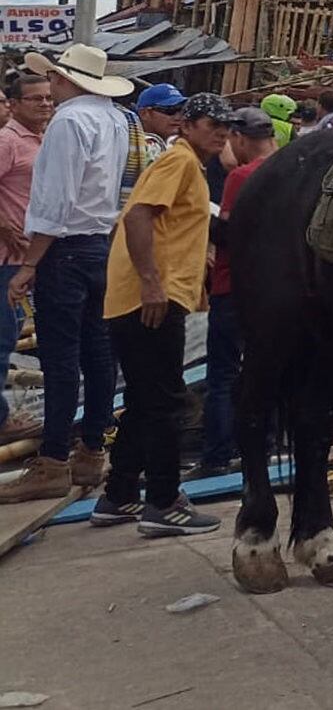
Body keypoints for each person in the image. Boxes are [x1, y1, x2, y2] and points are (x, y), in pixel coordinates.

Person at [86, 93, 234, 537]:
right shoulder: (180, 162)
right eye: (212, 124)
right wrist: (152, 282)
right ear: (187, 126)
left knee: (147, 399)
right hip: (149, 298)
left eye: (225, 126)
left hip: (145, 297)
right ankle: (165, 502)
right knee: (168, 400)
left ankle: (120, 495)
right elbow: (137, 219)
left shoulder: (190, 164)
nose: (221, 132)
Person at [0, 47, 132, 504]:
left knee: (60, 361)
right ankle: (91, 451)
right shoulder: (115, 118)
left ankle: (53, 460)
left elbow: (54, 203)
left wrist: (31, 263)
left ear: (64, 79)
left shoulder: (69, 122)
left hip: (66, 251)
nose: (49, 90)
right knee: (98, 355)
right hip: (98, 244)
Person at [190, 106, 277, 479]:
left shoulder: (242, 177)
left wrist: (197, 219)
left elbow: (229, 232)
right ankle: (266, 446)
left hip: (234, 285)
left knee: (223, 375)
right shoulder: (291, 168)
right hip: (276, 289)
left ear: (240, 139)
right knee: (267, 370)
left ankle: (217, 455)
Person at [0, 73, 52, 444]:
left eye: (48, 97)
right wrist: (4, 226)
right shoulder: (7, 141)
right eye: (35, 99)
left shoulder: (46, 139)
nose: (45, 104)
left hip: (32, 256)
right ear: (14, 105)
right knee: (2, 339)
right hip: (6, 258)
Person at [134, 82, 187, 161]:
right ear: (144, 113)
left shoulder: (180, 147)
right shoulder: (134, 147)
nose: (178, 117)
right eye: (170, 110)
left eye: (182, 110)